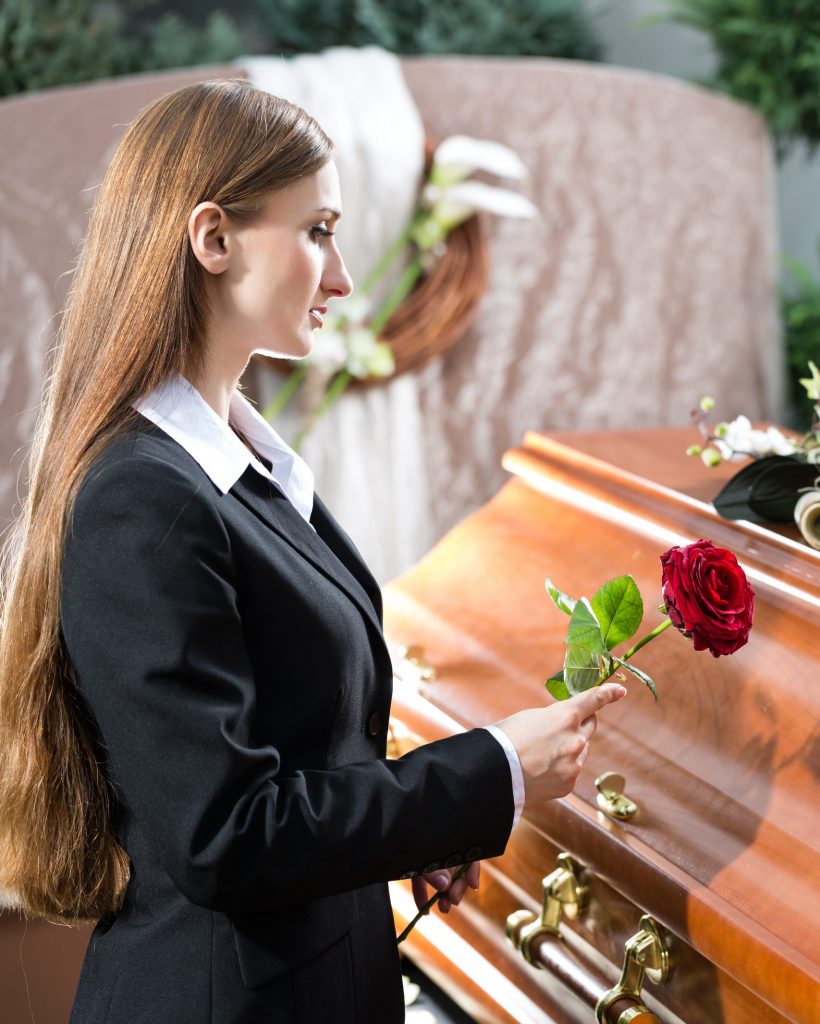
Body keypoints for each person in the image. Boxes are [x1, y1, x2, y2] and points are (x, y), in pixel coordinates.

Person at [0, 80, 625, 1023]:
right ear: (212, 240)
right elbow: (227, 837)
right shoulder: (144, 500)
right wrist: (491, 771)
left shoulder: (240, 466)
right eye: (318, 230)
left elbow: (297, 755)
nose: (341, 278)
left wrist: (414, 833)